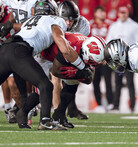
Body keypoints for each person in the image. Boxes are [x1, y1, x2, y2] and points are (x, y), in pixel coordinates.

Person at [0, 0, 88, 130]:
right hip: (20, 52)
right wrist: (82, 67)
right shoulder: (58, 21)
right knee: (45, 85)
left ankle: (22, 115)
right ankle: (45, 121)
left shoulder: (32, 20)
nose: (68, 23)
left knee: (42, 85)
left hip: (5, 49)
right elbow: (64, 48)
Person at [18, 32, 106, 128]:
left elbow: (88, 79)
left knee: (73, 82)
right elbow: (56, 71)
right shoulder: (71, 46)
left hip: (60, 58)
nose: (92, 64)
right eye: (92, 61)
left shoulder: (88, 48)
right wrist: (77, 73)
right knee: (44, 87)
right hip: (44, 56)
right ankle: (24, 113)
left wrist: (78, 74)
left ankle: (59, 114)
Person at [0, 0, 37, 123]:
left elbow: (33, 24)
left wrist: (11, 26)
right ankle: (20, 109)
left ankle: (27, 105)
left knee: (28, 78)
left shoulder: (8, 12)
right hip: (7, 49)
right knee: (11, 83)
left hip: (23, 43)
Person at [106, 5, 138, 112]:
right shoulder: (113, 26)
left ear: (128, 13)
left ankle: (132, 105)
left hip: (129, 58)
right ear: (118, 13)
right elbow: (109, 41)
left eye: (125, 12)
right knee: (117, 82)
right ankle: (116, 105)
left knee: (130, 82)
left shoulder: (135, 26)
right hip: (117, 59)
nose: (123, 15)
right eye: (121, 12)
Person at [89, 6, 114, 113]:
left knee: (108, 81)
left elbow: (112, 40)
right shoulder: (90, 24)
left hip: (106, 58)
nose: (102, 14)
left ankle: (110, 103)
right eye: (100, 12)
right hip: (94, 58)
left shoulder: (110, 24)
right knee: (95, 81)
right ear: (95, 13)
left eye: (103, 12)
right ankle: (98, 103)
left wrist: (107, 56)